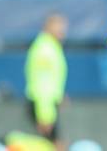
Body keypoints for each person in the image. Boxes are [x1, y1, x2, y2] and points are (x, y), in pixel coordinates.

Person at [25, 14, 67, 151]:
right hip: (43, 106)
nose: (63, 30)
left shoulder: (50, 46)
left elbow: (52, 79)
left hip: (46, 105)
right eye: (59, 26)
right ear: (48, 27)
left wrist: (59, 96)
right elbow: (42, 84)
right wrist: (45, 114)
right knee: (54, 146)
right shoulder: (45, 49)